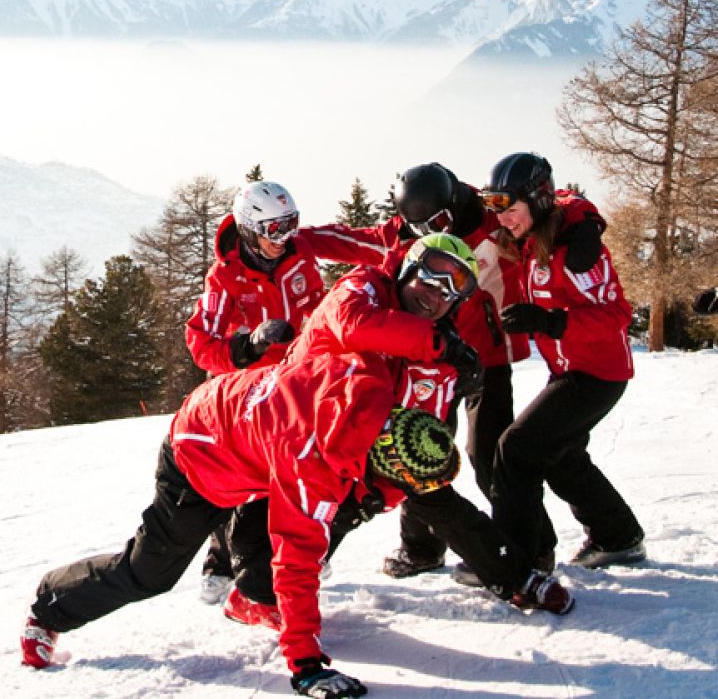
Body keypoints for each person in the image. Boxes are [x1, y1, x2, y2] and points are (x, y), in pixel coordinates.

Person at [20, 346, 459, 698]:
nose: (398, 496)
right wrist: (305, 665)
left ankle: (252, 599)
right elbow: (297, 561)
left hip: (251, 446)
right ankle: (50, 608)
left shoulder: (372, 384)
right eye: (398, 484)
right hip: (198, 455)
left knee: (323, 514)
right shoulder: (309, 462)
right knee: (149, 573)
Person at [311, 162, 605, 577]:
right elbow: (347, 240)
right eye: (418, 224)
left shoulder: (494, 220)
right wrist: (290, 237)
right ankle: (421, 548)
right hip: (430, 359)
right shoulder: (407, 233)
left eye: (436, 220)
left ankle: (531, 548)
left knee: (487, 452)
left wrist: (586, 219)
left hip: (488, 357)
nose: (427, 230)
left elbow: (550, 202)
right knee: (417, 449)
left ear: (452, 203)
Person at [184, 179, 382, 604]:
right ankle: (220, 559)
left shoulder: (301, 249)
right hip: (242, 390)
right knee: (234, 477)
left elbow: (352, 241)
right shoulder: (226, 276)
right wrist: (247, 346)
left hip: (297, 382)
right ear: (250, 229)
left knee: (301, 470)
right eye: (274, 229)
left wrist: (402, 244)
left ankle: (297, 550)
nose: (285, 237)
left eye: (291, 224)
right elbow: (201, 343)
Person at [480, 152, 645, 569]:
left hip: (597, 373)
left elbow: (617, 316)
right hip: (569, 369)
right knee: (560, 454)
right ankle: (618, 536)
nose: (503, 220)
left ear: (536, 202)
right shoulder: (537, 234)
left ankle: (520, 558)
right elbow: (567, 197)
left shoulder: (577, 254)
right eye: (497, 208)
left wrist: (553, 322)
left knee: (516, 448)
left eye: (510, 209)